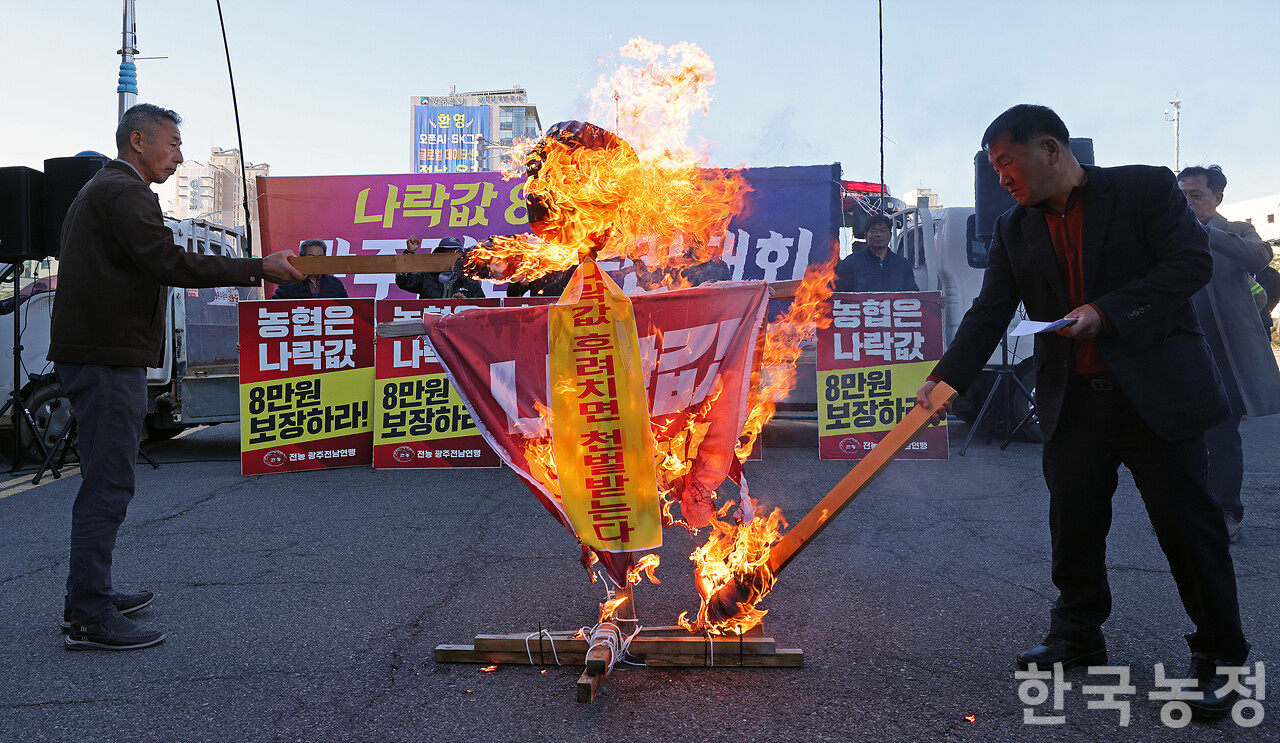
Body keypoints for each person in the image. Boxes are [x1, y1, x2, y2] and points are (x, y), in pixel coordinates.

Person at [915, 104, 1248, 719]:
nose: (1002, 179)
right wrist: (944, 382)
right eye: (994, 169)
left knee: (1188, 530)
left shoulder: (1144, 188)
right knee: (1074, 526)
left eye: (1007, 163)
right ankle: (1077, 633)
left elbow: (1190, 265)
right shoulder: (1017, 229)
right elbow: (990, 312)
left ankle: (1221, 659)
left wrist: (1107, 311)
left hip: (1157, 395)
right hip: (1074, 401)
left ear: (1050, 148)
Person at [48, 103, 303, 651]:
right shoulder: (123, 191)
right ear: (137, 140)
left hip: (101, 353)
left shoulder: (106, 190)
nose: (180, 156)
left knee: (105, 476)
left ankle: (91, 593)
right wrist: (257, 266)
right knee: (108, 483)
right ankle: (88, 615)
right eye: (173, 144)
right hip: (105, 356)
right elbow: (169, 262)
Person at [1176, 165, 1280, 542]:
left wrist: (1207, 233)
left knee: (1220, 437)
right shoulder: (1170, 235)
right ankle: (1190, 508)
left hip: (1225, 354)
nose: (1186, 202)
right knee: (1182, 437)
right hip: (1180, 351)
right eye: (1181, 194)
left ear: (1218, 197)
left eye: (1195, 195)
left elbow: (1258, 257)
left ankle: (1226, 512)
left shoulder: (1236, 230)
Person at [833, 214, 919, 292]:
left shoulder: (903, 264)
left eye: (883, 230)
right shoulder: (851, 262)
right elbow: (839, 294)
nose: (878, 235)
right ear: (866, 236)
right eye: (873, 231)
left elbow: (912, 294)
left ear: (890, 235)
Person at [396, 236, 484, 299]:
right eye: (446, 253)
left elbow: (481, 307)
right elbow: (404, 282)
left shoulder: (469, 280)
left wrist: (464, 304)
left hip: (460, 323)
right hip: (429, 323)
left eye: (454, 253)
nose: (450, 257)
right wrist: (409, 252)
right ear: (439, 255)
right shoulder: (427, 276)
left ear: (461, 257)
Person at [271, 239, 348, 299]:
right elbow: (275, 309)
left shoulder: (336, 284)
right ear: (302, 258)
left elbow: (348, 308)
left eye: (320, 257)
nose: (316, 261)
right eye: (311, 256)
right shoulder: (287, 284)